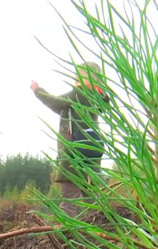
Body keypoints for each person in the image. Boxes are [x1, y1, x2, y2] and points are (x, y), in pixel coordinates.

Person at [31, 61, 108, 216]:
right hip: (92, 150)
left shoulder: (78, 94)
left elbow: (53, 102)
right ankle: (97, 230)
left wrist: (37, 90)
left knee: (70, 197)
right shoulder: (99, 97)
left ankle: (67, 235)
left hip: (74, 151)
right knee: (92, 196)